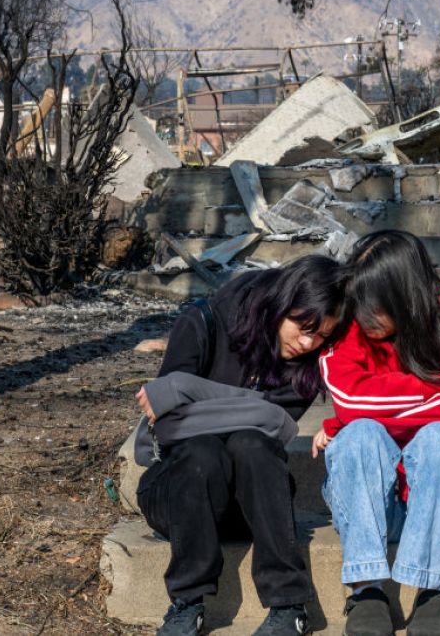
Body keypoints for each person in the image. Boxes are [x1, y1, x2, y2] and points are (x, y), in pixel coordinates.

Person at [135, 255, 344, 636]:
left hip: (253, 503)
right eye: (303, 325)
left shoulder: (308, 366)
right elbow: (168, 425)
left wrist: (188, 391)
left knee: (252, 445)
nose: (309, 342)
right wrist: (253, 409)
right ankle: (186, 602)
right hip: (179, 495)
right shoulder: (203, 323)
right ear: (279, 303)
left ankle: (288, 606)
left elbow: (277, 426)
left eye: (322, 335)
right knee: (202, 451)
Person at [312, 231, 440, 636]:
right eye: (357, 301)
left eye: (374, 304)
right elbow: (350, 404)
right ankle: (367, 591)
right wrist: (435, 388)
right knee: (359, 434)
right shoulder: (350, 326)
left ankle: (434, 594)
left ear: (406, 293)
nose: (362, 315)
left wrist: (373, 409)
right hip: (371, 505)